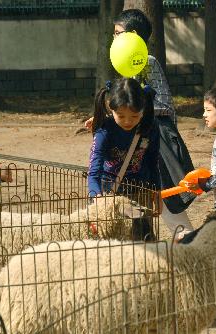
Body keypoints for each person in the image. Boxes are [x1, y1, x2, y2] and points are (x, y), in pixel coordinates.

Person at [86, 8, 194, 238]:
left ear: (132, 36)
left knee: (167, 205)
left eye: (118, 33)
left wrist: (141, 110)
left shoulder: (147, 62)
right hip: (126, 154)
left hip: (150, 144)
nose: (114, 38)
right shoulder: (123, 63)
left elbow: (165, 104)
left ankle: (190, 245)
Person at [87, 77, 161, 240]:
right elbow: (94, 172)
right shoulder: (104, 131)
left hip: (141, 191)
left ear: (143, 109)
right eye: (121, 116)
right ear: (110, 107)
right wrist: (97, 198)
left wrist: (157, 192)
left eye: (134, 116)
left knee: (143, 240)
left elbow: (153, 161)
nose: (128, 121)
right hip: (110, 194)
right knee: (112, 243)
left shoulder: (150, 127)